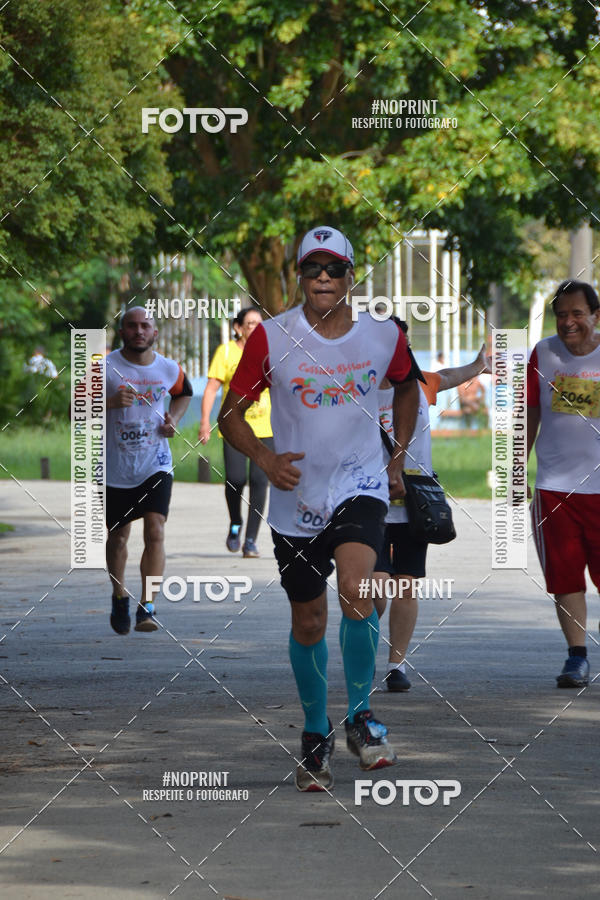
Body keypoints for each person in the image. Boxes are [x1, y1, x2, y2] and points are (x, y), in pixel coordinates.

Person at [218, 225, 419, 791]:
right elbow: (229, 413)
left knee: (359, 587)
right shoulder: (272, 338)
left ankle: (360, 719)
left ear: (352, 276)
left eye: (334, 269)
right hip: (295, 494)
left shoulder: (383, 336)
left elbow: (409, 387)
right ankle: (314, 732)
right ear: (298, 276)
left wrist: (397, 459)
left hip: (360, 484)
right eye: (313, 269)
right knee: (308, 620)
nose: (324, 279)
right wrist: (263, 455)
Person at [374, 341, 492, 691]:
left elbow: (447, 376)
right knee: (374, 587)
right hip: (371, 501)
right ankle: (362, 654)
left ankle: (397, 665)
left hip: (415, 503)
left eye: (404, 348)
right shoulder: (358, 390)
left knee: (406, 585)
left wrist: (477, 364)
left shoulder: (422, 381)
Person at [527, 279, 600, 688]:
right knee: (566, 577)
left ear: (595, 315)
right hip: (556, 488)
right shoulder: (544, 353)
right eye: (560, 315)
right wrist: (514, 468)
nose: (568, 323)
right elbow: (530, 414)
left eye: (577, 314)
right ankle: (577, 657)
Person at [106, 306, 192, 634]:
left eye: (145, 326)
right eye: (132, 326)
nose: (139, 331)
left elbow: (183, 393)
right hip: (116, 467)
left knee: (155, 530)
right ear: (122, 331)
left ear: (154, 332)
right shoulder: (106, 368)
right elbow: (75, 409)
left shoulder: (168, 368)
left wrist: (175, 419)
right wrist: (111, 402)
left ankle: (148, 606)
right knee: (118, 538)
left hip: (156, 462)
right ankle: (118, 596)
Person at [199, 308, 273, 557]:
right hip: (235, 426)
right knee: (236, 479)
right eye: (250, 324)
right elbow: (211, 389)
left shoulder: (270, 351)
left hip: (266, 428)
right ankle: (235, 524)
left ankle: (250, 540)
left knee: (260, 482)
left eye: (259, 324)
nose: (256, 328)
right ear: (238, 327)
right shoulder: (226, 352)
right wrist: (204, 421)